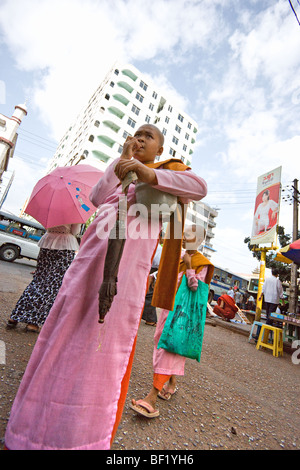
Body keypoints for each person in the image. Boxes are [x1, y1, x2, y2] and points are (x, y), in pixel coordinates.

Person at [4, 124, 208, 450]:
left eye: (148, 136)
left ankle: (79, 437)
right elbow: (97, 197)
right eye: (136, 134)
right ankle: (27, 433)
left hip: (120, 284)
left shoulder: (168, 174)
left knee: (100, 351)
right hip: (83, 272)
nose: (139, 139)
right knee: (61, 337)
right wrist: (122, 160)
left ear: (160, 150)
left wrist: (146, 172)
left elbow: (200, 187)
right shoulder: (119, 175)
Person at [130, 225, 214, 418]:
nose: (185, 238)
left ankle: (151, 397)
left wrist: (190, 267)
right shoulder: (180, 256)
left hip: (183, 316)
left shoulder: (203, 263)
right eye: (184, 235)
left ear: (200, 240)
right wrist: (153, 276)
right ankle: (172, 383)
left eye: (190, 235)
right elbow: (168, 274)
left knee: (167, 349)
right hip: (169, 309)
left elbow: (195, 289)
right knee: (163, 342)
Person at [6, 224, 80, 332]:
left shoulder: (53, 207)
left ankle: (15, 315)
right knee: (50, 287)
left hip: (47, 243)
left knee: (38, 281)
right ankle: (33, 322)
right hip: (64, 246)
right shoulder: (74, 210)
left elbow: (46, 225)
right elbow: (75, 231)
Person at [142, 231, 163, 326]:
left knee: (147, 293)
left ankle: (149, 318)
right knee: (149, 294)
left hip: (148, 269)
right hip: (152, 271)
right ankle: (150, 319)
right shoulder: (158, 248)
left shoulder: (150, 245)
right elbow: (160, 264)